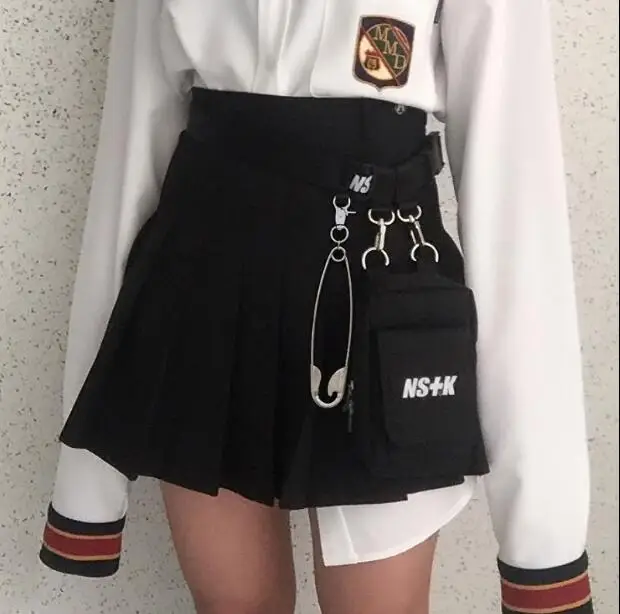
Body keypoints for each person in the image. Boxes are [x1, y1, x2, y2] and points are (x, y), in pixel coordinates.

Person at [39, 2, 594, 613]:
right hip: (205, 274)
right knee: (233, 605)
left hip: (380, 276)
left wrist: (541, 538)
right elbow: (135, 136)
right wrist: (88, 481)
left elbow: (512, 184)